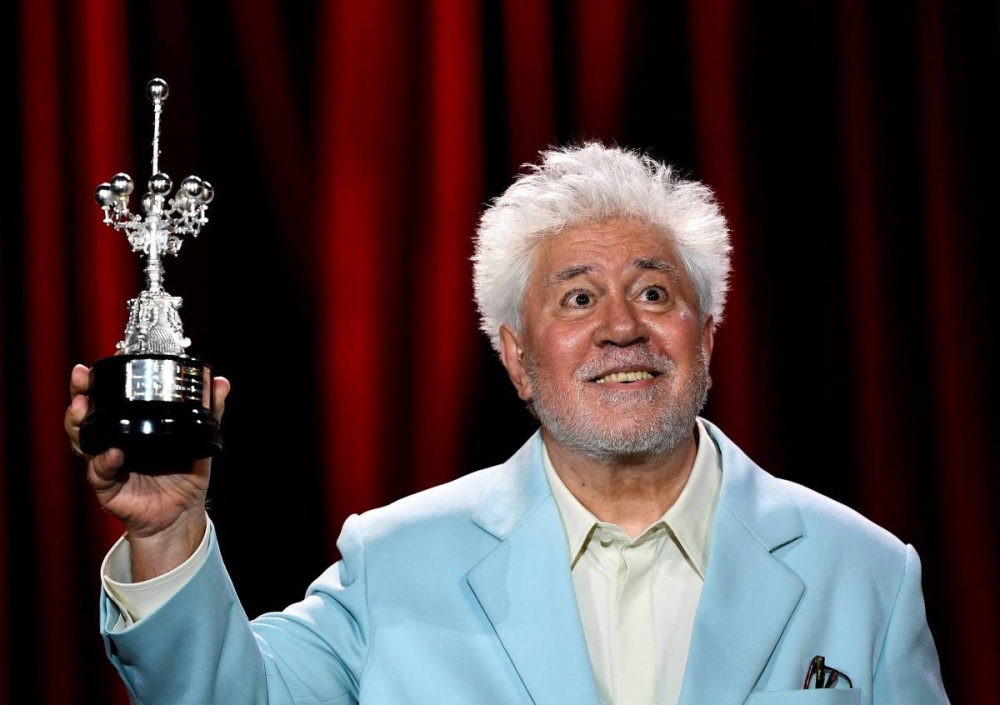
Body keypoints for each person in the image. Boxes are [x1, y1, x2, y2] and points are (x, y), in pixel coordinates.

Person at [66, 142, 949, 704]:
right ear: (517, 355)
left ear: (708, 336)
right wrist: (172, 530)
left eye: (653, 291)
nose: (620, 327)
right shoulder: (394, 561)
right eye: (577, 297)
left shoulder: (865, 573)